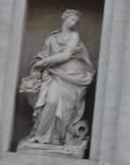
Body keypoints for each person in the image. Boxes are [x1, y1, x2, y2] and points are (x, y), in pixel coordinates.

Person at [21, 9, 95, 146]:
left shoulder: (74, 36)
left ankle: (57, 139)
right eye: (71, 19)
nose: (73, 23)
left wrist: (43, 62)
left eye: (75, 21)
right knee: (51, 102)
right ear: (64, 18)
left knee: (65, 110)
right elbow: (41, 55)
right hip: (54, 75)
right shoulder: (52, 38)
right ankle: (39, 136)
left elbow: (66, 55)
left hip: (71, 76)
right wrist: (37, 66)